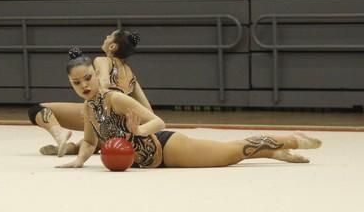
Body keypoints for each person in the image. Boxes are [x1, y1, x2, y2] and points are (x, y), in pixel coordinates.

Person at [57, 48, 321, 169]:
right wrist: (78, 161)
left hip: (167, 148)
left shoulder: (114, 99)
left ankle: (288, 140)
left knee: (229, 154)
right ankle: (272, 153)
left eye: (88, 78)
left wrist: (139, 130)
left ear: (95, 73)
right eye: (76, 82)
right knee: (230, 155)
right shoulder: (88, 110)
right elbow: (90, 143)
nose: (84, 85)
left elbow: (158, 122)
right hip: (146, 162)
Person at [29, 30, 153, 157]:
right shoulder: (131, 75)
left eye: (109, 36)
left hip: (104, 110)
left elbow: (104, 81)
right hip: (121, 125)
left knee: (36, 110)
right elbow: (148, 109)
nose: (106, 36)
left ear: (112, 46)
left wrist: (95, 107)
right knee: (97, 138)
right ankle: (73, 148)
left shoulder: (103, 60)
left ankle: (59, 133)